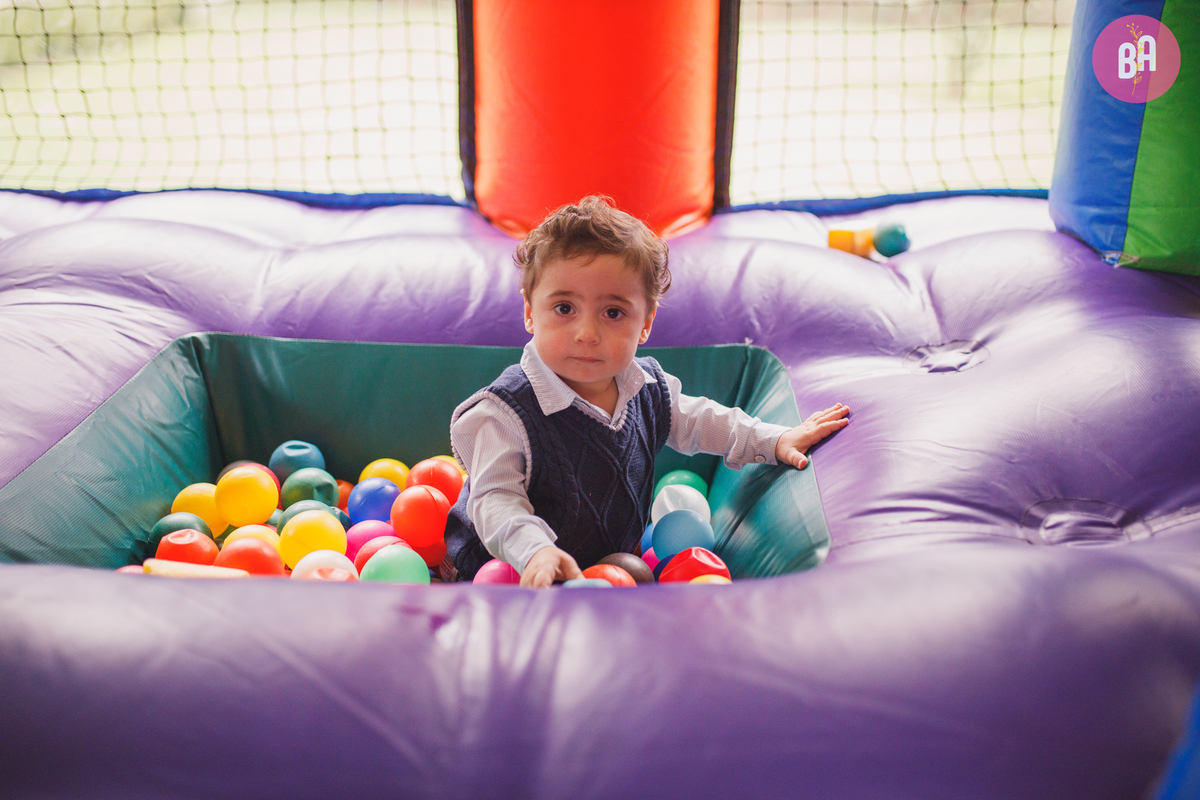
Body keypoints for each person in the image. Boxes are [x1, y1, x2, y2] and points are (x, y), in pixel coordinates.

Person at [444, 196, 849, 588]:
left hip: (611, 569)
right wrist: (534, 552)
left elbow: (705, 421)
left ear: (646, 323)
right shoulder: (506, 412)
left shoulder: (646, 388)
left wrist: (775, 439)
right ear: (531, 312)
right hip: (507, 573)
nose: (587, 334)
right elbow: (494, 500)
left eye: (613, 313)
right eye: (564, 308)